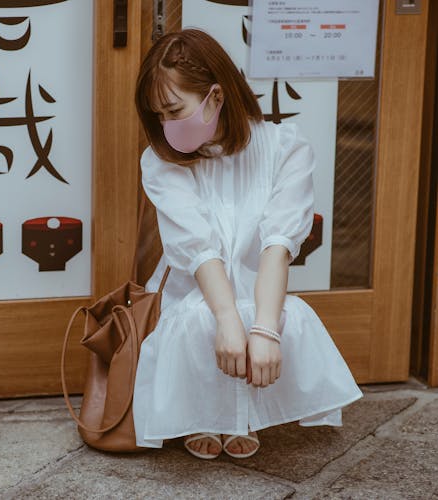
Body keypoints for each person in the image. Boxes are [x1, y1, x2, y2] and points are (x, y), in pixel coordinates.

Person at [132, 29, 362, 459]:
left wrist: (264, 329)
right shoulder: (160, 160)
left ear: (215, 97)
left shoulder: (284, 148)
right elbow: (198, 251)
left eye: (174, 111)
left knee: (269, 315)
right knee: (203, 316)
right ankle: (211, 412)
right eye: (158, 115)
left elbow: (278, 246)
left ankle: (242, 413)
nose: (166, 125)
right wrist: (227, 318)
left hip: (261, 287)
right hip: (194, 288)